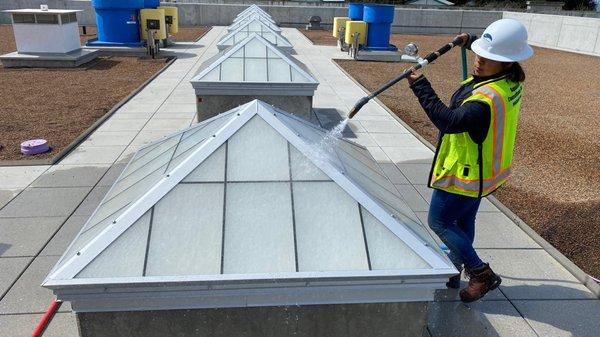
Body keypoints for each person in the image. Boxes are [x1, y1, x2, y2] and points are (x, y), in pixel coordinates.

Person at [406, 19, 534, 302]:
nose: (479, 61)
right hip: (485, 170)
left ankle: (481, 273)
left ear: (507, 62)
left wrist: (420, 85)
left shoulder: (484, 102)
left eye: (488, 58)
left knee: (439, 221)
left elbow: (448, 121)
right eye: (479, 53)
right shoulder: (511, 81)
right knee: (463, 221)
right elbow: (494, 44)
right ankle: (453, 270)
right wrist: (469, 39)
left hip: (464, 172)